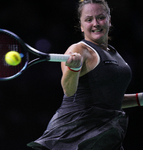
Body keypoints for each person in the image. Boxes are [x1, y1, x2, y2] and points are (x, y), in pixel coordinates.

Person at [27, 0, 143, 149]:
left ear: (109, 20)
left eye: (100, 17)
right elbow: (68, 90)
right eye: (89, 19)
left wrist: (139, 99)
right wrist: (74, 69)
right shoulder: (78, 49)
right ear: (81, 26)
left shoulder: (114, 53)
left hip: (105, 133)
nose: (95, 23)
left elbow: (107, 100)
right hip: (74, 134)